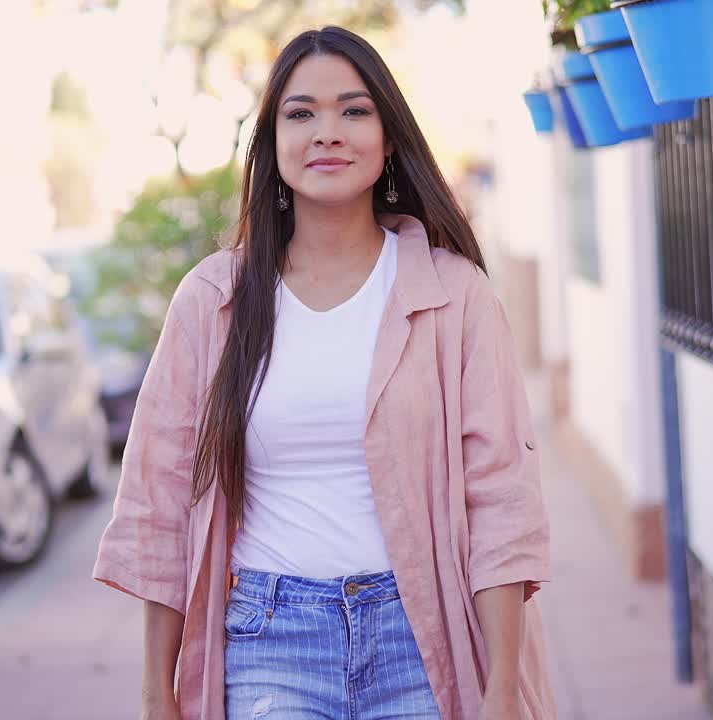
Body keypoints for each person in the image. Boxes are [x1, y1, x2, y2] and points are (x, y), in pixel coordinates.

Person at [94, 25, 555, 720]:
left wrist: (502, 692)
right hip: (269, 644)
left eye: (354, 110)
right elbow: (160, 503)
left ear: (389, 138)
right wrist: (158, 696)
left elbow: (500, 500)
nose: (327, 132)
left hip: (419, 639)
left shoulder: (454, 296)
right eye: (301, 113)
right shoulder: (212, 301)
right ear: (273, 143)